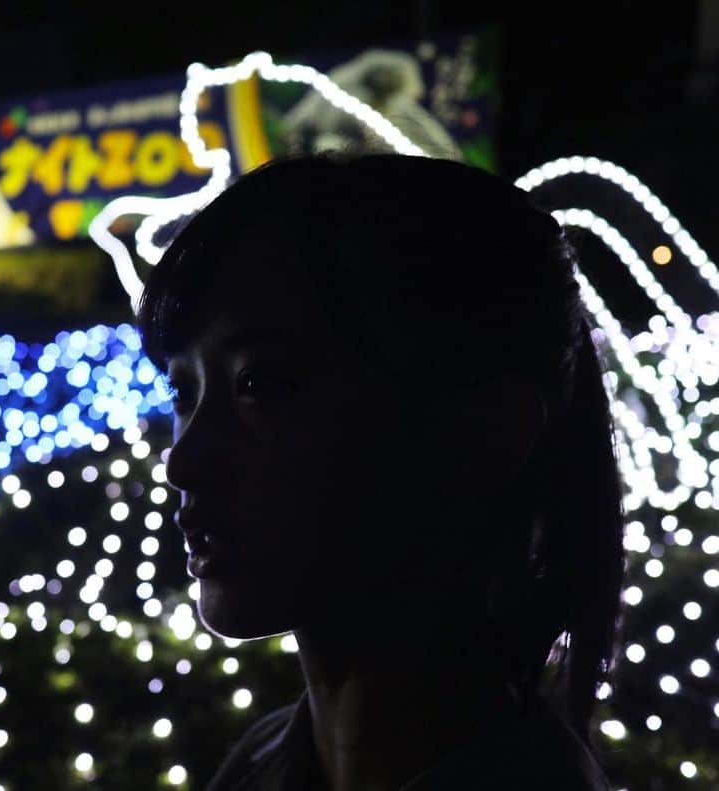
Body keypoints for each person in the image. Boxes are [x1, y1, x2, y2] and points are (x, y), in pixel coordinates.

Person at [136, 154, 625, 790]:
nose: (184, 461)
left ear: (483, 430)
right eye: (183, 394)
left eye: (260, 382)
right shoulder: (258, 762)